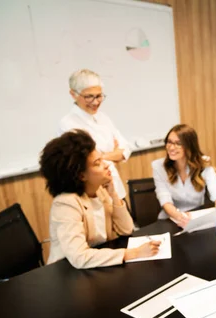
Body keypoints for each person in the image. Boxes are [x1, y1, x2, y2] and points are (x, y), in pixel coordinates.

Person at [40, 129, 160, 269]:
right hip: (67, 273)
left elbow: (126, 229)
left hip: (97, 266)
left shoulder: (99, 191)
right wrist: (132, 253)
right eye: (97, 163)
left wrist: (113, 194)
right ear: (81, 175)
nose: (106, 164)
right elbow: (80, 257)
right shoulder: (66, 204)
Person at [58, 69, 132, 200]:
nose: (96, 102)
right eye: (89, 96)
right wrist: (113, 154)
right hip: (94, 195)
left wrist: (102, 156)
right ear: (73, 94)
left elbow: (126, 149)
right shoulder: (68, 124)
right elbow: (87, 162)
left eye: (99, 96)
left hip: (116, 190)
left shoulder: (103, 117)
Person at [151, 124, 216, 227]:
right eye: (169, 142)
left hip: (197, 218)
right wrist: (180, 218)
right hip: (170, 220)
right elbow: (165, 200)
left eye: (178, 143)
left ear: (189, 146)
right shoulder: (158, 167)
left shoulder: (204, 165)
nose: (171, 147)